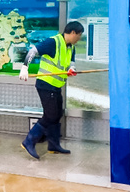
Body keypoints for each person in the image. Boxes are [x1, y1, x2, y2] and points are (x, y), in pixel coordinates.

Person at [19, 21, 84, 159]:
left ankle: (53, 146)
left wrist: (72, 70)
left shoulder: (71, 47)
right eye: (79, 35)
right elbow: (33, 51)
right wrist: (25, 68)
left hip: (56, 86)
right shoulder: (53, 42)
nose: (79, 38)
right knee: (50, 115)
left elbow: (71, 63)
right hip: (45, 85)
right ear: (73, 33)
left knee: (58, 114)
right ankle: (29, 141)